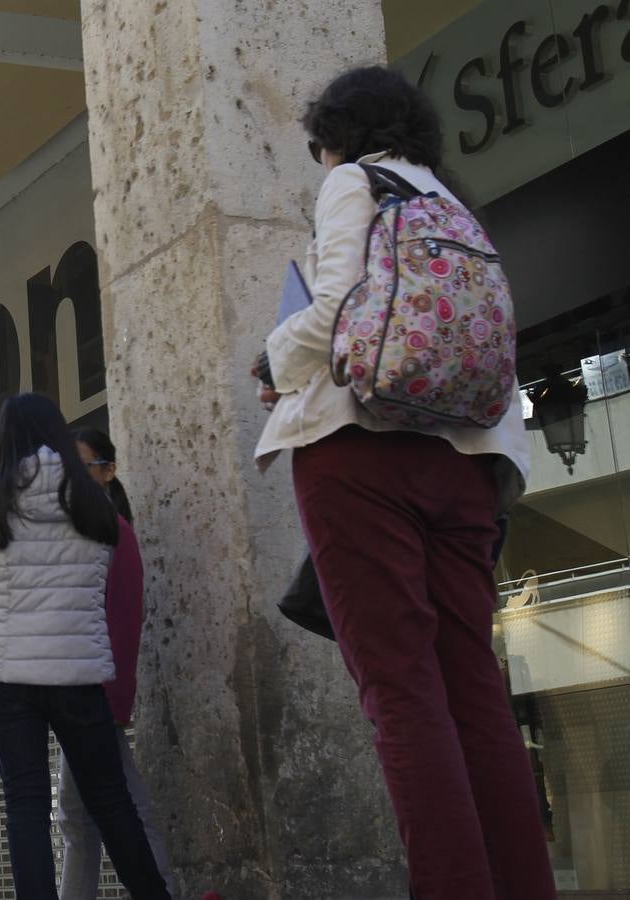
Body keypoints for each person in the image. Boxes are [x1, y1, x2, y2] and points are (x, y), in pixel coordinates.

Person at [253, 65, 554, 899]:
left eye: (320, 145)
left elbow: (338, 304)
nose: (321, 162)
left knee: (401, 690)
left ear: (341, 134)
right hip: (468, 460)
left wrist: (272, 359)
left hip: (361, 447)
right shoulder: (456, 205)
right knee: (474, 691)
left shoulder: (355, 180)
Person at [0, 393, 172, 900]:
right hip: (79, 672)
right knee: (111, 800)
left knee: (26, 805)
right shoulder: (95, 502)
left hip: (9, 678)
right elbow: (101, 577)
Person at [56, 428, 176, 900]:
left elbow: (122, 624)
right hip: (86, 691)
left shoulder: (112, 534)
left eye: (80, 467)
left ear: (107, 472)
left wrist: (107, 697)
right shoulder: (93, 532)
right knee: (83, 814)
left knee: (93, 812)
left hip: (93, 692)